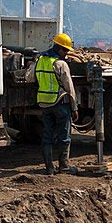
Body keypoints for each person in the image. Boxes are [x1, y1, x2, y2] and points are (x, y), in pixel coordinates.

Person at [24, 33, 80, 175]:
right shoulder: (61, 64)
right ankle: (64, 167)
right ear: (60, 49)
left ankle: (49, 168)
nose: (67, 54)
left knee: (47, 137)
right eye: (66, 50)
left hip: (44, 104)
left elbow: (29, 78)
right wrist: (74, 108)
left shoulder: (40, 60)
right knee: (64, 136)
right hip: (60, 103)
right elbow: (70, 88)